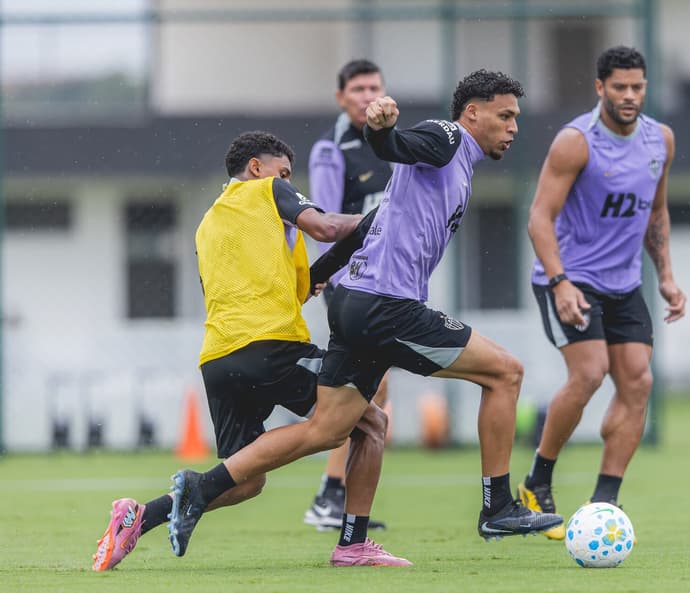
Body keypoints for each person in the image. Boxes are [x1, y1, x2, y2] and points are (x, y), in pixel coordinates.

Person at [166, 70, 564, 564]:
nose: (514, 127)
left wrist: (317, 275)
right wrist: (382, 130)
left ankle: (338, 539)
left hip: (357, 302)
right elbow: (394, 145)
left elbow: (370, 229)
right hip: (386, 307)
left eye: (516, 118)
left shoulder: (448, 169)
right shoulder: (448, 137)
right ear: (473, 113)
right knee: (506, 372)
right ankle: (498, 505)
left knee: (348, 427)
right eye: (505, 116)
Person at [91, 131, 389, 571]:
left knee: (247, 480)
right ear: (257, 168)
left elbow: (301, 285)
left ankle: (140, 517)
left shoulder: (209, 223)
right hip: (270, 345)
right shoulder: (268, 190)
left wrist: (351, 246)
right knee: (369, 422)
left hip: (219, 360)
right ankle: (352, 544)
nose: (290, 183)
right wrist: (384, 220)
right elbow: (326, 226)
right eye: (285, 172)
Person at [520, 46, 686, 540]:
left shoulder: (661, 140)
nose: (630, 96)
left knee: (638, 383)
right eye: (620, 87)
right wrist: (560, 282)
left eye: (638, 87)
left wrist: (668, 277)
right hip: (569, 276)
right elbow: (539, 219)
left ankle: (603, 503)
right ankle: (537, 482)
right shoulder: (576, 142)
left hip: (625, 283)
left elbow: (656, 213)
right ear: (600, 88)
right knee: (590, 373)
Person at [303, 59, 394, 532]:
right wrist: (336, 279)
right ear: (341, 97)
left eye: (374, 86)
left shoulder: (393, 144)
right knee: (362, 391)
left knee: (375, 390)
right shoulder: (331, 150)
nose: (367, 94)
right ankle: (330, 495)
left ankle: (332, 495)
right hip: (350, 284)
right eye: (357, 88)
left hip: (390, 284)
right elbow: (323, 221)